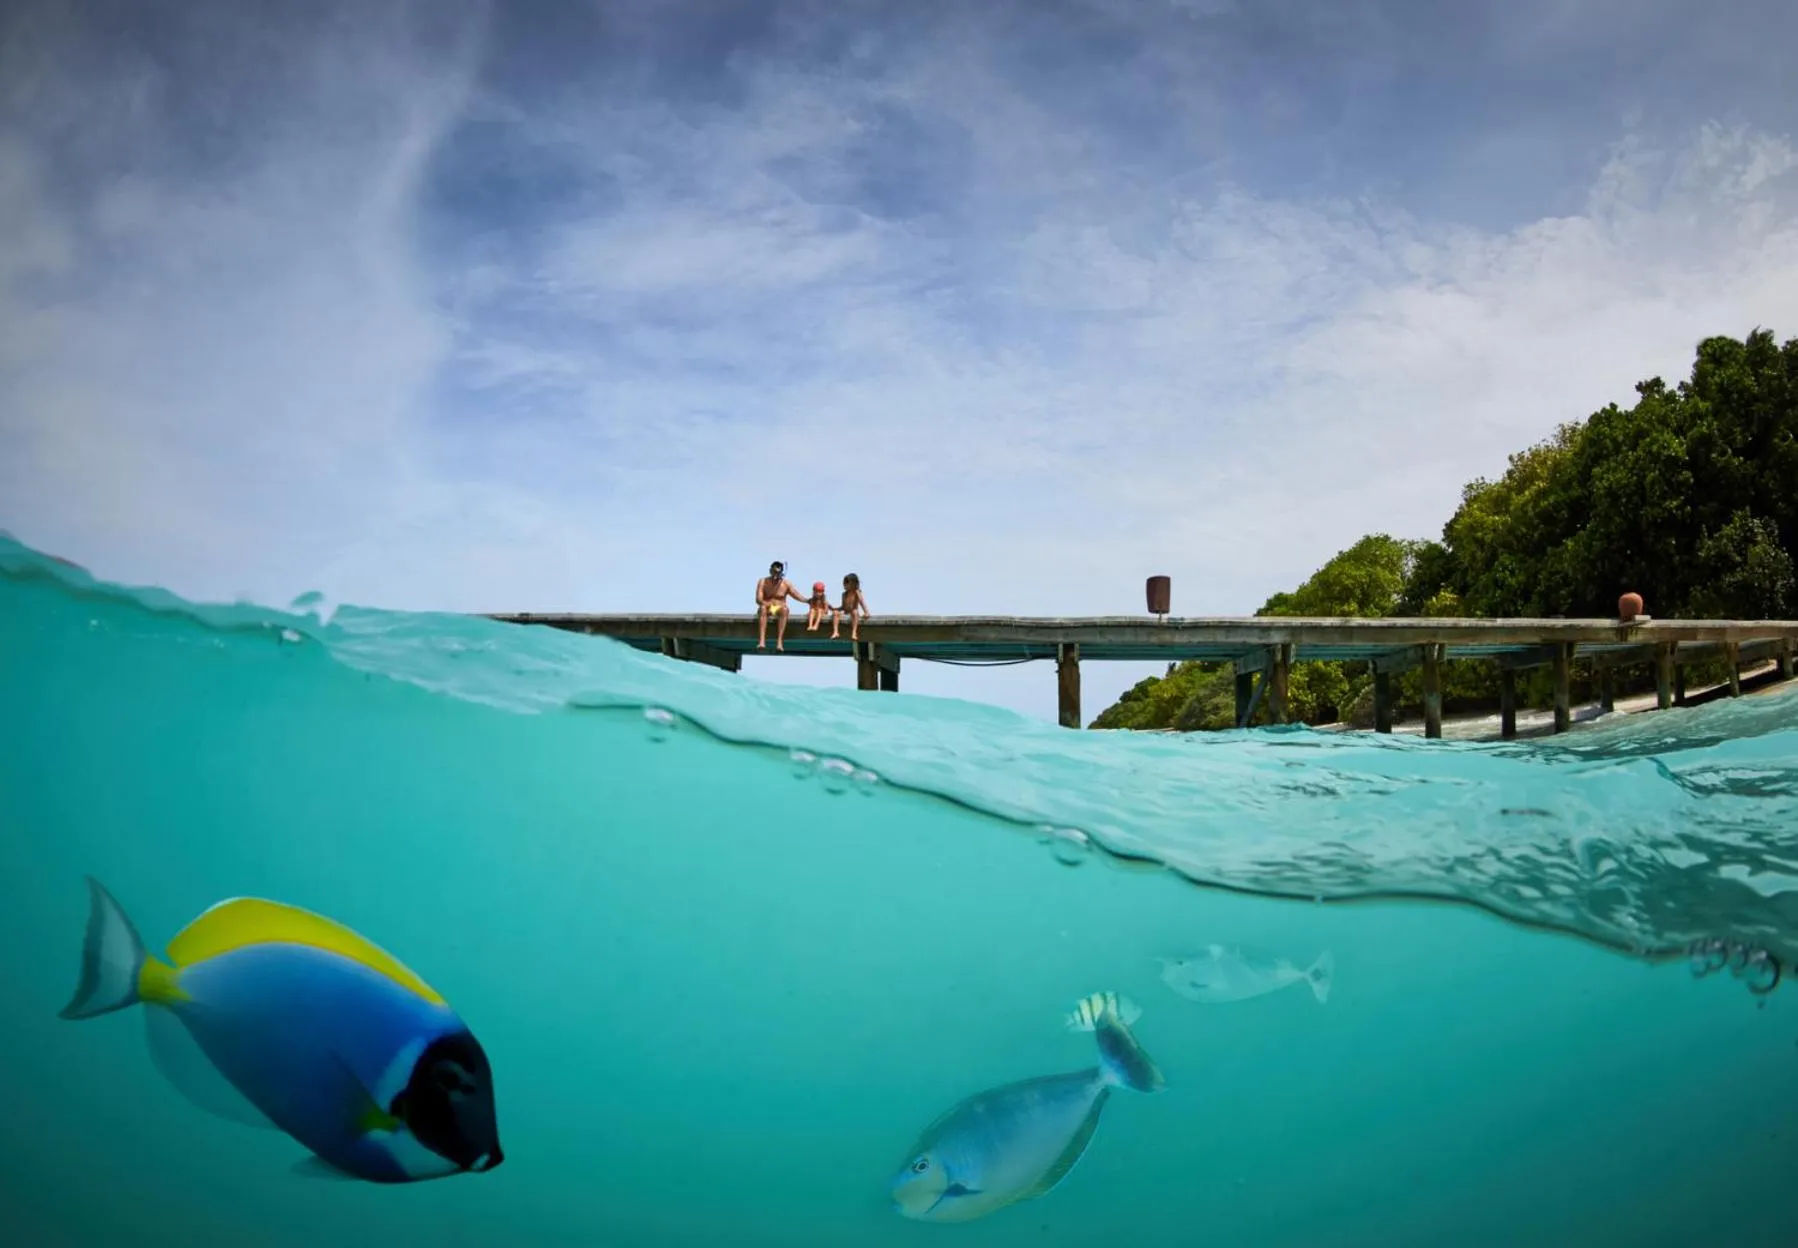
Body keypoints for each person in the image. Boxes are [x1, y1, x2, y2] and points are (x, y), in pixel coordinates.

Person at [754, 561, 806, 651]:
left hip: (779, 608)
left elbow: (796, 594)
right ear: (770, 571)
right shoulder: (763, 581)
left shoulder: (786, 584)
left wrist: (807, 601)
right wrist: (768, 604)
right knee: (762, 608)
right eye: (774, 572)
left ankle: (779, 642)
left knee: (785, 610)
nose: (775, 575)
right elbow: (758, 600)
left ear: (781, 573)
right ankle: (762, 641)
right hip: (767, 607)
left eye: (777, 573)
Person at [832, 572, 870, 641]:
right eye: (844, 583)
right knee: (835, 613)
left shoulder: (856, 592)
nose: (844, 585)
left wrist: (866, 612)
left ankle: (854, 632)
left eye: (847, 583)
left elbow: (861, 602)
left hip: (853, 614)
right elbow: (843, 607)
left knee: (854, 611)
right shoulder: (844, 594)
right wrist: (834, 609)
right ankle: (836, 632)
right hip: (846, 613)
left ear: (853, 584)